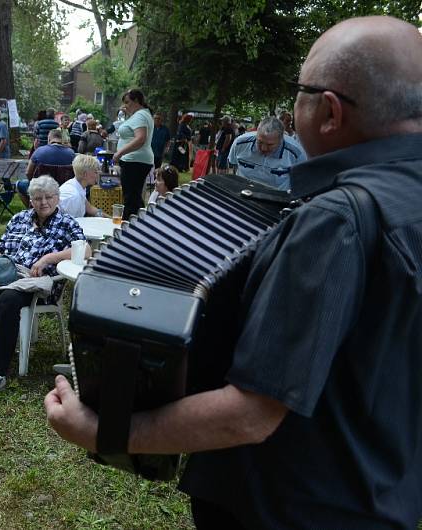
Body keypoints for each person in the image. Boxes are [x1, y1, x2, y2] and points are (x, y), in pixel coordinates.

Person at [46, 15, 422, 529]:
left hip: (287, 506)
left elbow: (252, 411)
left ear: (329, 111)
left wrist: (103, 431)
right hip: (384, 493)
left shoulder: (335, 221)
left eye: (301, 90)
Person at [0, 176, 87, 397]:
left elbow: (85, 251)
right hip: (7, 272)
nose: (43, 202)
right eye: (38, 198)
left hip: (36, 279)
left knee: (8, 301)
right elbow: (0, 248)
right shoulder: (19, 218)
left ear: (57, 198)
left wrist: (49, 258)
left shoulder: (67, 223)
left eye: (49, 197)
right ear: (30, 200)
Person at [228, 116, 306, 190]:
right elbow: (233, 165)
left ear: (281, 139)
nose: (263, 148)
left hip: (276, 199)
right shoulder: (240, 143)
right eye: (260, 142)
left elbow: (301, 181)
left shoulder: (296, 152)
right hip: (243, 194)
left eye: (270, 145)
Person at [112, 89, 154, 220]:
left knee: (131, 199)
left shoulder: (140, 115)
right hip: (136, 161)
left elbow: (140, 138)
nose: (125, 106)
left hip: (134, 161)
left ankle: (128, 230)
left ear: (136, 101)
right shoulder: (140, 114)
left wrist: (120, 153)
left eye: (127, 102)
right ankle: (139, 225)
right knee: (134, 197)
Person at [59, 154, 104, 218]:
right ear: (85, 175)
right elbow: (69, 224)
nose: (97, 175)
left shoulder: (78, 185)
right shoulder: (74, 197)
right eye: (95, 172)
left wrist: (111, 219)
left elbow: (90, 208)